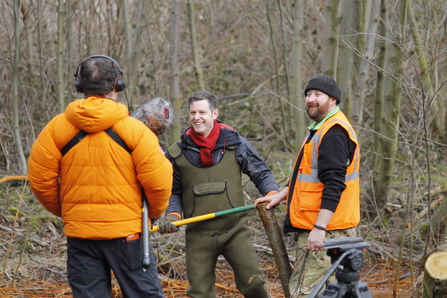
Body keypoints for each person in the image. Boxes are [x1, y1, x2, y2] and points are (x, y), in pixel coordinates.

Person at [27, 55, 173, 298]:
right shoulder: (137, 131)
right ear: (118, 85)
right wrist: (152, 214)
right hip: (130, 233)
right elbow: (159, 183)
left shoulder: (55, 128)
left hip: (81, 236)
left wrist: (71, 212)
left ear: (79, 86)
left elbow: (40, 181)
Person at [158, 90, 279, 298]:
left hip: (235, 231)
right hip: (198, 235)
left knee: (255, 285)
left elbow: (260, 172)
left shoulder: (235, 143)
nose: (197, 117)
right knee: (199, 293)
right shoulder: (177, 153)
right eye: (193, 112)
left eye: (202, 112)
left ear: (215, 114)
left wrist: (272, 193)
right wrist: (173, 215)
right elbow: (173, 191)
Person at [255, 75, 360, 298]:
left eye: (317, 95)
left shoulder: (333, 132)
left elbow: (334, 184)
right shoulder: (318, 128)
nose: (311, 99)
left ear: (333, 100)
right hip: (326, 228)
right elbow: (306, 174)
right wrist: (282, 194)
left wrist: (319, 229)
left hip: (327, 231)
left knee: (305, 294)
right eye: (308, 94)